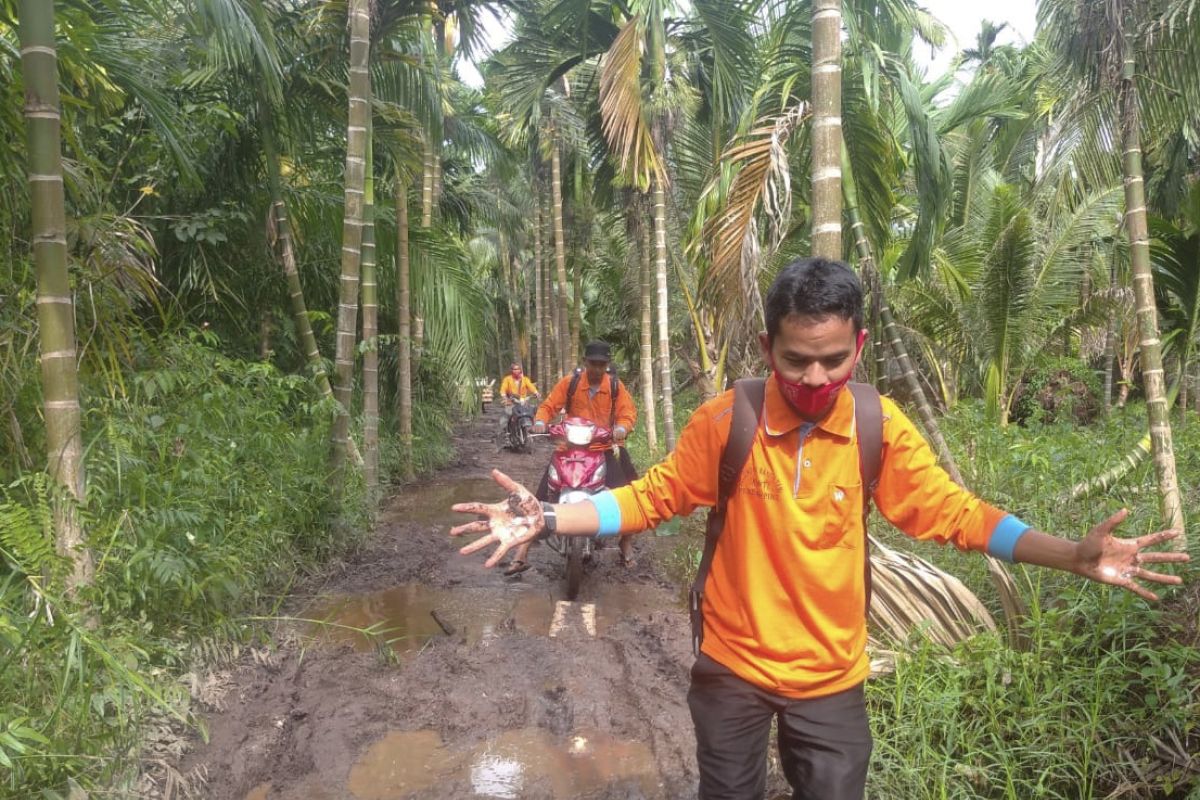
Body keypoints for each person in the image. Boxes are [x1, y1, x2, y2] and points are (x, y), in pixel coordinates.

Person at [450, 257, 1188, 800]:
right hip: (732, 671)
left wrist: (1072, 555)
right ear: (768, 349)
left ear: (858, 348)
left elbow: (959, 515)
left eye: (833, 362)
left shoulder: (878, 426)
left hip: (833, 682)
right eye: (796, 362)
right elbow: (648, 498)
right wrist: (548, 516)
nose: (814, 381)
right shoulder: (727, 420)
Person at [503, 340, 639, 576]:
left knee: (629, 494)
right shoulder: (571, 383)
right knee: (542, 494)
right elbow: (548, 405)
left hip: (602, 447)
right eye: (592, 363)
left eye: (601, 364)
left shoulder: (615, 386)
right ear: (585, 362)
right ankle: (522, 551)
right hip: (570, 447)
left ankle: (625, 542)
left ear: (607, 365)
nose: (597, 369)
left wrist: (622, 428)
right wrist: (539, 421)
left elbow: (627, 413)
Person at [496, 361, 539, 444]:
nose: (516, 371)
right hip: (511, 402)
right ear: (511, 370)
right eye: (514, 369)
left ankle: (531, 431)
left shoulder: (525, 379)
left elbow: (531, 387)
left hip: (523, 402)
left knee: (531, 413)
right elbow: (503, 389)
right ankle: (505, 434)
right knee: (506, 416)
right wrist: (504, 396)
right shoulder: (507, 379)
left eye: (518, 369)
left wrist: (536, 393)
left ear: (520, 370)